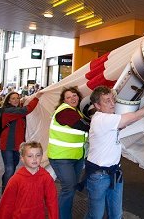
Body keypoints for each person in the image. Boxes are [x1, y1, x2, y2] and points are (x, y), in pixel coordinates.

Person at [85, 86, 144, 219]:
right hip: (99, 176)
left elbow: (128, 121)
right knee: (95, 215)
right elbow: (134, 116)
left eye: (113, 99)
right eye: (107, 101)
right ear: (97, 105)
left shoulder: (111, 118)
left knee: (116, 215)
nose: (112, 104)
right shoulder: (102, 119)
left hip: (114, 173)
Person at [48, 86, 90, 219]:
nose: (72, 98)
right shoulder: (65, 111)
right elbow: (84, 126)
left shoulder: (77, 112)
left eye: (74, 95)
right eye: (68, 97)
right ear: (64, 100)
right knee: (68, 188)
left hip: (76, 157)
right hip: (61, 157)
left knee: (70, 188)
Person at [0, 141, 58, 219]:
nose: (34, 159)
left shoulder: (46, 177)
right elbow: (6, 204)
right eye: (30, 156)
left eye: (38, 155)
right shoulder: (16, 180)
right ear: (22, 158)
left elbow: (52, 202)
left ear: (42, 156)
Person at [0, 91, 41, 193]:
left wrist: (23, 101)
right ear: (8, 100)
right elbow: (26, 110)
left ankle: (6, 184)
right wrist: (36, 98)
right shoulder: (8, 111)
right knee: (10, 169)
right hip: (8, 145)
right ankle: (6, 192)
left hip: (17, 145)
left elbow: (20, 109)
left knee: (12, 168)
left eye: (17, 98)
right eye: (13, 98)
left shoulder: (15, 110)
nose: (16, 100)